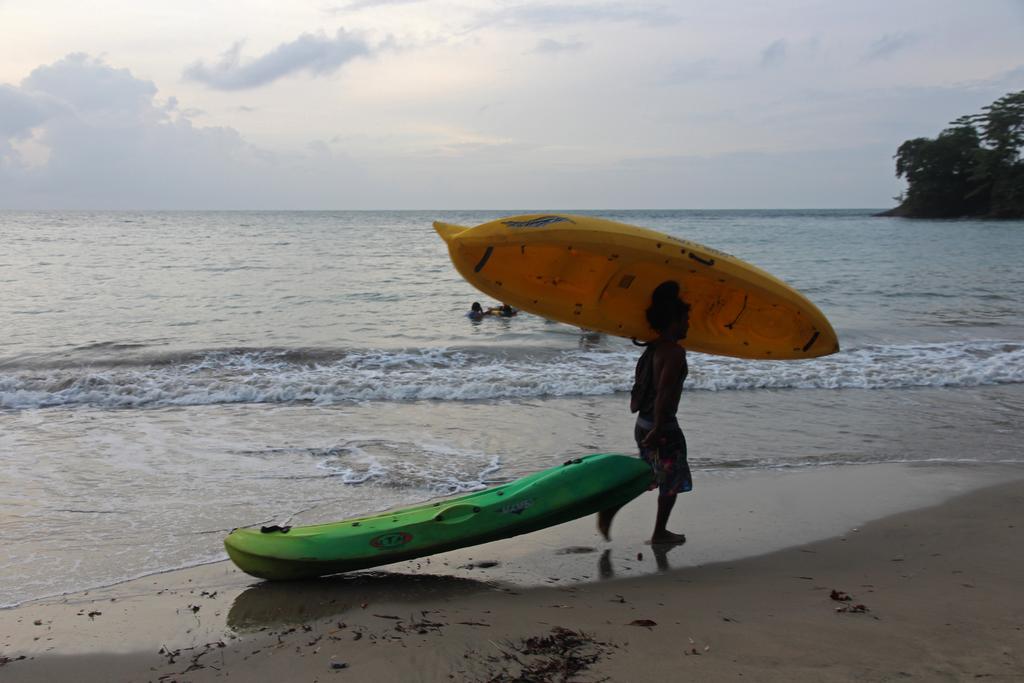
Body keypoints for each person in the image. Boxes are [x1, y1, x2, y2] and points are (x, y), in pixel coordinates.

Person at [598, 280, 692, 545]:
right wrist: (660, 428)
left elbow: (643, 390)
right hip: (661, 427)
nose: (688, 325)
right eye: (686, 319)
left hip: (644, 423)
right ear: (674, 321)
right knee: (670, 480)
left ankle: (611, 507)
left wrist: (652, 426)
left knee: (650, 475)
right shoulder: (674, 352)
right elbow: (665, 392)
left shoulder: (652, 349)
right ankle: (659, 532)